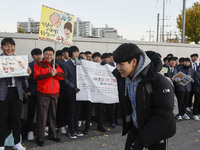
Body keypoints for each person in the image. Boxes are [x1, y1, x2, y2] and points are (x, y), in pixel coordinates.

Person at [112, 43, 176, 150]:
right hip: (136, 128)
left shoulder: (158, 81)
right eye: (116, 64)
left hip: (157, 131)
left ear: (133, 62)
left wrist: (141, 142)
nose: (118, 68)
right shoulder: (122, 77)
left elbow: (163, 113)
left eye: (121, 64)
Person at [0, 37, 30, 150]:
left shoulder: (19, 60)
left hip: (16, 92)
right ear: (1, 47)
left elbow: (23, 78)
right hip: (2, 92)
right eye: (7, 46)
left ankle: (17, 143)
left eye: (12, 46)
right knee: (2, 119)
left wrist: (27, 73)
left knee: (16, 119)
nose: (9, 48)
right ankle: (1, 144)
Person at [34, 47, 65, 146]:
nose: (49, 56)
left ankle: (52, 134)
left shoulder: (55, 64)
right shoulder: (38, 65)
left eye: (51, 54)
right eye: (47, 54)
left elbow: (62, 76)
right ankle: (40, 137)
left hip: (55, 94)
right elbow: (37, 78)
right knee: (42, 117)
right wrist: (49, 74)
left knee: (53, 115)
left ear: (53, 55)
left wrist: (55, 73)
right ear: (43, 55)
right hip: (43, 94)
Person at [62, 46, 83, 139]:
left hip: (80, 91)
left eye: (78, 52)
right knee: (71, 111)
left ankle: (76, 128)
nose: (77, 54)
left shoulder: (80, 62)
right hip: (71, 91)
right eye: (75, 52)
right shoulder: (66, 64)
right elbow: (64, 79)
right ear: (71, 54)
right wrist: (72, 87)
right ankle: (71, 130)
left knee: (78, 111)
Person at [27, 48, 42, 141]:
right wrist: (27, 90)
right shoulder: (28, 66)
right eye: (36, 55)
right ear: (32, 56)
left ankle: (40, 129)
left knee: (41, 113)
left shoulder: (45, 65)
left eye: (40, 54)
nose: (38, 56)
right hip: (32, 92)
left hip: (43, 92)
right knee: (31, 113)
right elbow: (25, 79)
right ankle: (30, 131)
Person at [56, 47, 70, 134]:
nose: (68, 54)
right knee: (61, 108)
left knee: (68, 108)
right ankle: (61, 125)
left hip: (70, 89)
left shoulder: (73, 62)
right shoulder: (59, 63)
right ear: (63, 53)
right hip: (61, 89)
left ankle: (66, 123)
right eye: (66, 52)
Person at [92, 52, 107, 132]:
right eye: (96, 58)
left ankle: (100, 125)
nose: (98, 59)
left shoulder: (103, 65)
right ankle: (87, 127)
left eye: (99, 58)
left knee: (100, 109)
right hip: (91, 91)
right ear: (93, 58)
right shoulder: (89, 66)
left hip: (100, 90)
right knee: (89, 110)